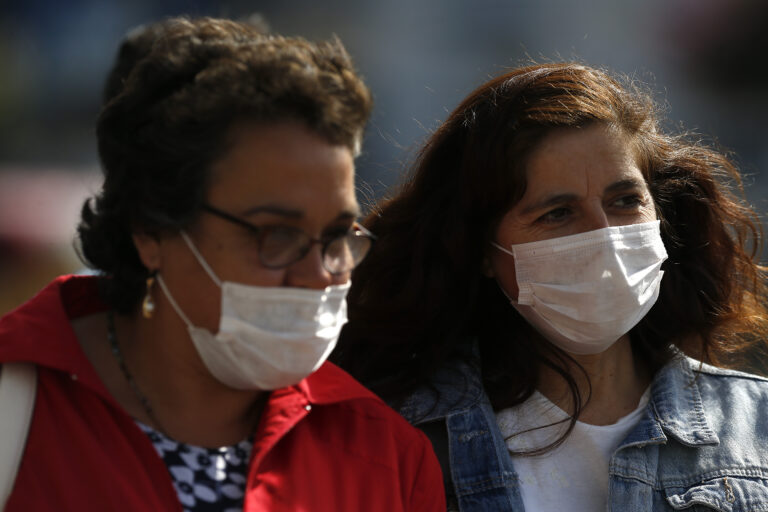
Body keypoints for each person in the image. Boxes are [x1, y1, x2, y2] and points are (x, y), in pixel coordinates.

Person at [0, 17, 446, 511]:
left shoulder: (386, 457)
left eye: (338, 236)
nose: (320, 273)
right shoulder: (20, 404)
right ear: (152, 230)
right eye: (277, 235)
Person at [333, 62, 768, 511]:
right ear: (483, 251)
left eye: (624, 201)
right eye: (558, 213)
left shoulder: (757, 426)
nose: (604, 236)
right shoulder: (392, 439)